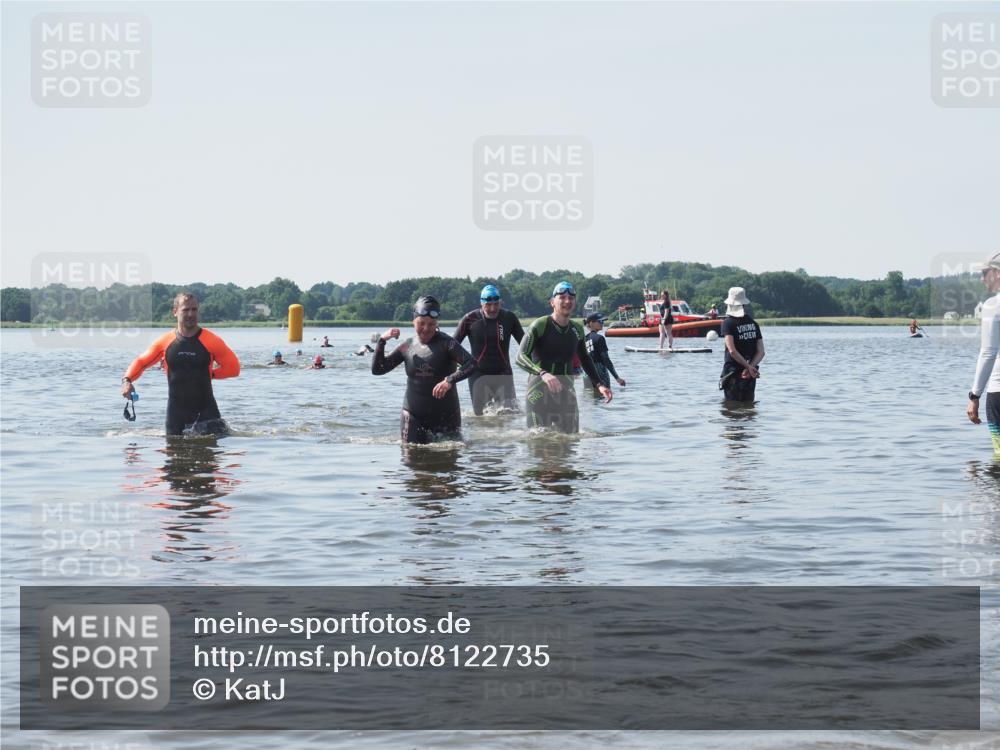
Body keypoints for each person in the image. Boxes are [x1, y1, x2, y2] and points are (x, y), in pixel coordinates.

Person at [120, 292, 240, 436]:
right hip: (176, 415)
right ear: (175, 312)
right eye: (186, 310)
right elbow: (141, 362)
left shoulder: (212, 340)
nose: (190, 314)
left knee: (211, 454)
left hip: (207, 412)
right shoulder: (165, 342)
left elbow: (234, 368)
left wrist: (210, 374)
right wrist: (127, 381)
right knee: (173, 454)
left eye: (194, 309)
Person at [372, 295, 477, 444]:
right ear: (413, 321)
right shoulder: (406, 346)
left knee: (448, 463)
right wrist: (382, 341)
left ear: (437, 322)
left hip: (446, 416)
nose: (426, 328)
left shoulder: (447, 344)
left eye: (431, 324)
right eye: (421, 323)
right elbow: (378, 369)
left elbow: (472, 364)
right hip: (413, 415)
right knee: (411, 460)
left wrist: (450, 380)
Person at [516, 281, 612, 433]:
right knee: (539, 442)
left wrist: (600, 384)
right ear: (552, 302)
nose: (567, 301)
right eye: (562, 297)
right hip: (538, 392)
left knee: (571, 443)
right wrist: (543, 373)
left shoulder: (577, 329)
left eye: (571, 298)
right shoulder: (540, 325)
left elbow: (585, 359)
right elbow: (520, 357)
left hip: (566, 391)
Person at [453, 283, 525, 414]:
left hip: (504, 374)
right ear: (481, 303)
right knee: (481, 417)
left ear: (500, 302)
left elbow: (526, 344)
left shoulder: (509, 318)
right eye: (488, 305)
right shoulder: (469, 319)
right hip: (478, 375)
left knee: (508, 415)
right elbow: (452, 346)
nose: (492, 309)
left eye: (496, 304)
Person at [966, 252, 1000, 456]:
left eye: (985, 272)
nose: (981, 278)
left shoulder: (992, 306)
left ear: (997, 273)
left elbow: (988, 353)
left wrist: (974, 395)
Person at [719, 287, 764, 403]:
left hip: (733, 374)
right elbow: (761, 352)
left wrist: (748, 368)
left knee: (732, 411)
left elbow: (732, 351)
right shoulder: (754, 323)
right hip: (750, 375)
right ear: (744, 304)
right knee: (749, 408)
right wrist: (750, 367)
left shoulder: (727, 323)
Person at [583, 312, 626, 394]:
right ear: (591, 323)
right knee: (605, 397)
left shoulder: (584, 339)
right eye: (600, 321)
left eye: (603, 321)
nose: (602, 323)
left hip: (587, 373)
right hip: (600, 372)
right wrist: (617, 378)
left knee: (590, 398)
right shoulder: (600, 338)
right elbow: (606, 359)